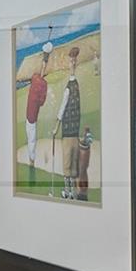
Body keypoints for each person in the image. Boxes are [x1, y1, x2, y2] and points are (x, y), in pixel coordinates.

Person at [57, 46, 84, 199]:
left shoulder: (69, 87)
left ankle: (68, 192)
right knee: (73, 163)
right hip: (75, 131)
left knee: (67, 163)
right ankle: (72, 192)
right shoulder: (77, 86)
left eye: (71, 62)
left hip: (68, 131)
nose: (70, 64)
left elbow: (62, 108)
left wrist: (55, 127)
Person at [25, 45, 51, 172]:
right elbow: (41, 102)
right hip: (32, 119)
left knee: (31, 139)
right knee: (32, 140)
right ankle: (31, 161)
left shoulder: (36, 79)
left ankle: (31, 160)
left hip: (29, 117)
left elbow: (40, 71)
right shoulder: (41, 83)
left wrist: (45, 56)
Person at [75, 126, 93, 202]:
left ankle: (82, 192)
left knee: (82, 170)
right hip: (84, 149)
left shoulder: (86, 142)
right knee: (81, 170)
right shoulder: (86, 141)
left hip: (84, 150)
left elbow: (87, 142)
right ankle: (82, 192)